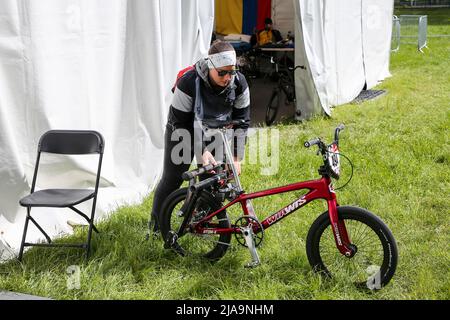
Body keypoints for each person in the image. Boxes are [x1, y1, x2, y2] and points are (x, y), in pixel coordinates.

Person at [149, 40, 251, 234]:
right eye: (222, 72)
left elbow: (242, 122)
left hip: (215, 131)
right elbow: (180, 123)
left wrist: (237, 158)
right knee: (172, 179)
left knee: (212, 181)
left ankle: (198, 223)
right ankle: (155, 228)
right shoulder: (188, 82)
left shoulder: (240, 83)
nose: (227, 77)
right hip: (183, 130)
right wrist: (201, 150)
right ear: (210, 66)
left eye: (231, 71)